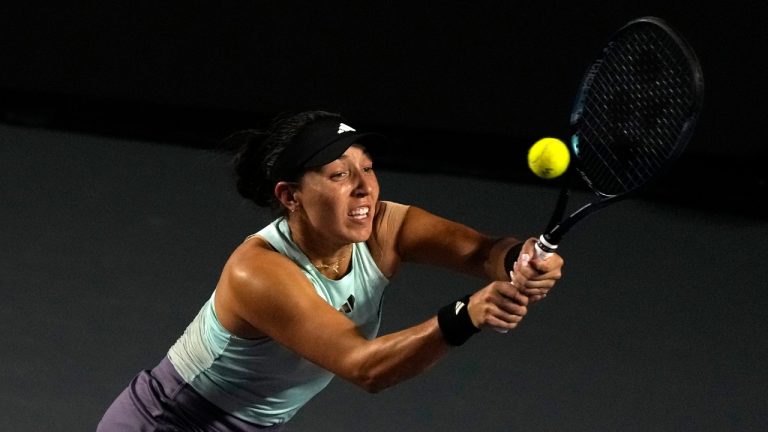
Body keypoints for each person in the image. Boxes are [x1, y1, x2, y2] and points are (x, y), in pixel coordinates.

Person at [98, 110, 564, 431]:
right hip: (168, 424)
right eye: (339, 175)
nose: (364, 188)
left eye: (367, 168)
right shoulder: (258, 272)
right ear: (289, 195)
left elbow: (483, 251)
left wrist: (519, 259)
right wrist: (468, 314)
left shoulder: (387, 224)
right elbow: (365, 368)